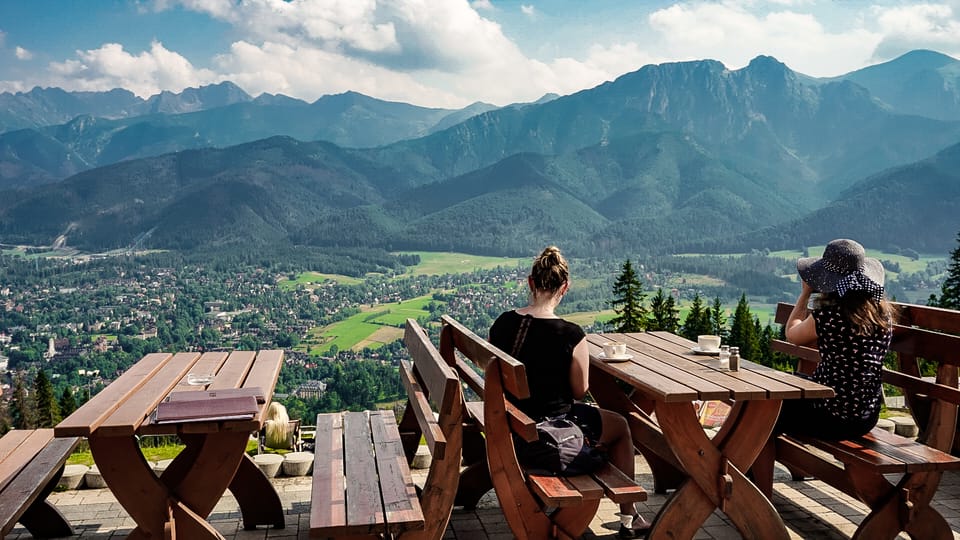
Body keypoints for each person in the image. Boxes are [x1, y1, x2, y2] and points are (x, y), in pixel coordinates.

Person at [488, 246, 651, 538]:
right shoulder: (571, 334)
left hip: (509, 426)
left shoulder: (502, 323)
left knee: (605, 423)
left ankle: (629, 513)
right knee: (621, 427)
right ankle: (629, 517)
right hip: (548, 430)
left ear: (530, 282)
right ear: (565, 287)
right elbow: (580, 390)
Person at [778, 238, 896, 439]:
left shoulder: (829, 315)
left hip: (830, 413)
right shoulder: (882, 315)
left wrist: (805, 293)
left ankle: (753, 469)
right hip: (866, 417)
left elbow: (792, 334)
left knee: (765, 406)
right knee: (778, 396)